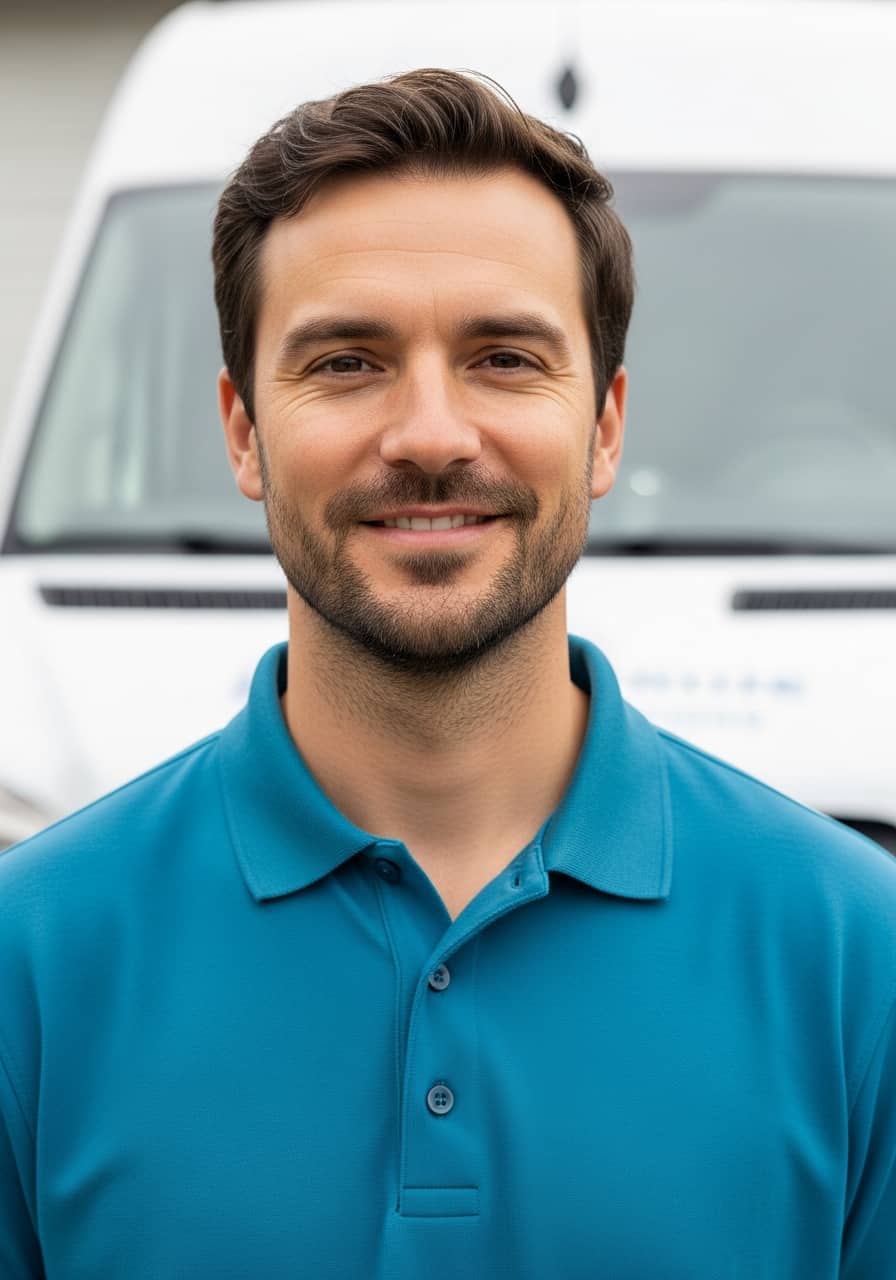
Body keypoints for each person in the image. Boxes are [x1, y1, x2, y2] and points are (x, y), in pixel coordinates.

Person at [1, 68, 894, 1280]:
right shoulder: (32, 957)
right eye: (346, 361)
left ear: (607, 426)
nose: (428, 433)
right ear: (242, 432)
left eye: (505, 357)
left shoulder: (854, 953)